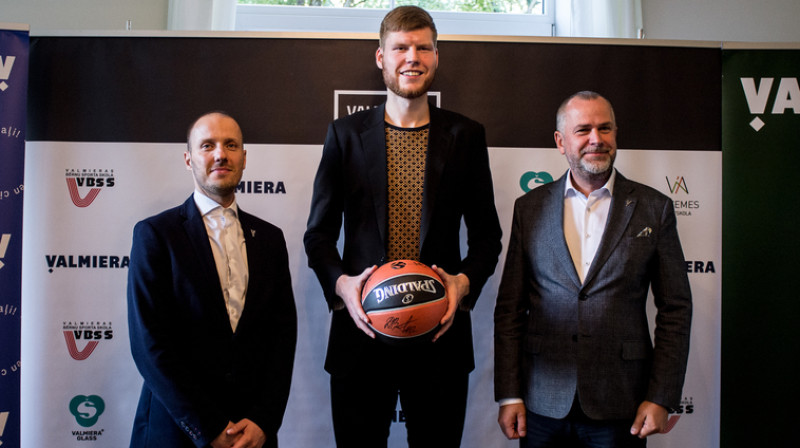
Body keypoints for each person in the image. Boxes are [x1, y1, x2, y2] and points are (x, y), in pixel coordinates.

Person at [303, 6, 502, 447]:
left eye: (423, 47)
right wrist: (342, 287)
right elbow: (317, 235)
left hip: (440, 336)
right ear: (381, 57)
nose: (412, 57)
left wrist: (462, 284)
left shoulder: (466, 136)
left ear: (436, 57)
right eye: (401, 48)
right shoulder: (345, 135)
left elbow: (488, 236)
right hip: (361, 336)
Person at [494, 91, 692, 447]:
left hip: (621, 402)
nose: (596, 139)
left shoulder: (653, 207)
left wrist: (662, 395)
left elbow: (676, 308)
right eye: (583, 130)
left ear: (616, 134)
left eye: (605, 128)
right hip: (542, 403)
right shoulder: (530, 208)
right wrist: (509, 395)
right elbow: (510, 309)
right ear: (560, 141)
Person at [127, 112, 297, 448]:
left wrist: (264, 421)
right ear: (189, 159)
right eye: (208, 145)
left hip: (252, 435)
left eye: (231, 145)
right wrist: (207, 427)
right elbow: (149, 345)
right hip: (177, 433)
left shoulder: (270, 239)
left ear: (244, 159)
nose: (221, 154)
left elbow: (282, 339)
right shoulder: (155, 235)